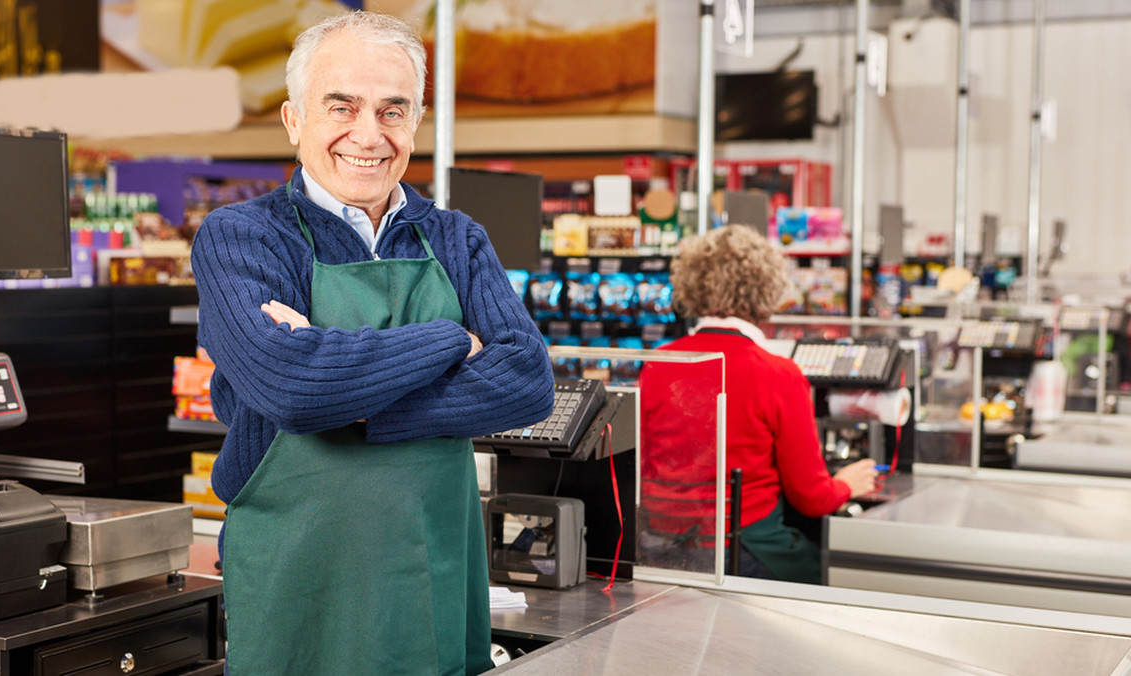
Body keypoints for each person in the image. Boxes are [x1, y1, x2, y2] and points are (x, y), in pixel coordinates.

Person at [189, 11, 555, 675]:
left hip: (430, 570)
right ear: (294, 119)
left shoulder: (456, 238)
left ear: (415, 122)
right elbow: (294, 390)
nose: (369, 134)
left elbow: (529, 380)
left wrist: (355, 401)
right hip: (296, 577)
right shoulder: (243, 238)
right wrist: (450, 340)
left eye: (393, 110)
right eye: (342, 106)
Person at [637, 224, 878, 585]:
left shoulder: (658, 363)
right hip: (744, 552)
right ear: (767, 289)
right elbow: (812, 497)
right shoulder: (778, 373)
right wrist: (845, 483)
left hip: (659, 550)